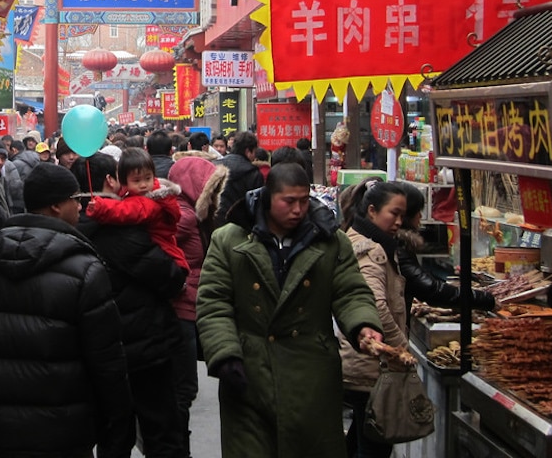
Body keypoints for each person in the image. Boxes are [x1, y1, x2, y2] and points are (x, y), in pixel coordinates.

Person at [197, 161, 384, 457]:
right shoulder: (229, 239)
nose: (298, 209)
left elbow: (350, 290)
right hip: (250, 373)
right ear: (269, 197)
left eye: (303, 200)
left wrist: (363, 324)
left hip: (311, 374)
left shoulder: (330, 241)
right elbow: (213, 301)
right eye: (289, 201)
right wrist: (224, 353)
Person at [0, 162, 132, 457]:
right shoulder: (85, 269)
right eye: (76, 198)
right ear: (57, 206)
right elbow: (107, 363)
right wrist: (117, 431)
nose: (81, 206)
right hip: (65, 433)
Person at [74, 153, 189, 458]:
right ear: (113, 181)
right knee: (161, 426)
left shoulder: (75, 229)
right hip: (146, 343)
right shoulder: (123, 224)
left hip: (101, 348)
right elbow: (170, 277)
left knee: (114, 433)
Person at [338, 179, 411, 458]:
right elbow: (376, 305)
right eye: (394, 213)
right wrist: (400, 348)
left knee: (360, 440)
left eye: (402, 215)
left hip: (360, 361)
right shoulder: (370, 250)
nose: (399, 222)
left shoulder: (356, 237)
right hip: (371, 364)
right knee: (375, 447)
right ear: (371, 210)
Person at [167, 155, 227, 456]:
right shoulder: (184, 216)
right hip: (183, 309)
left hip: (193, 307)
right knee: (183, 388)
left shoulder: (193, 213)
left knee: (182, 388)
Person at [394, 183, 495, 322]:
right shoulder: (396, 248)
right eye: (418, 211)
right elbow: (430, 290)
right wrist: (484, 299)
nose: (420, 216)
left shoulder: (396, 243)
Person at [86, 147, 189, 274]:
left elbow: (125, 210)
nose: (143, 184)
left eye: (147, 178)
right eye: (137, 180)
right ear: (124, 181)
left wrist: (100, 207)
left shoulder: (148, 202)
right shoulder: (143, 193)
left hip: (164, 253)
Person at [214, 130, 263, 226]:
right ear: (248, 151)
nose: (255, 156)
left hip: (214, 222)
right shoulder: (253, 174)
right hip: (241, 225)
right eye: (254, 152)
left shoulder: (215, 166)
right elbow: (256, 206)